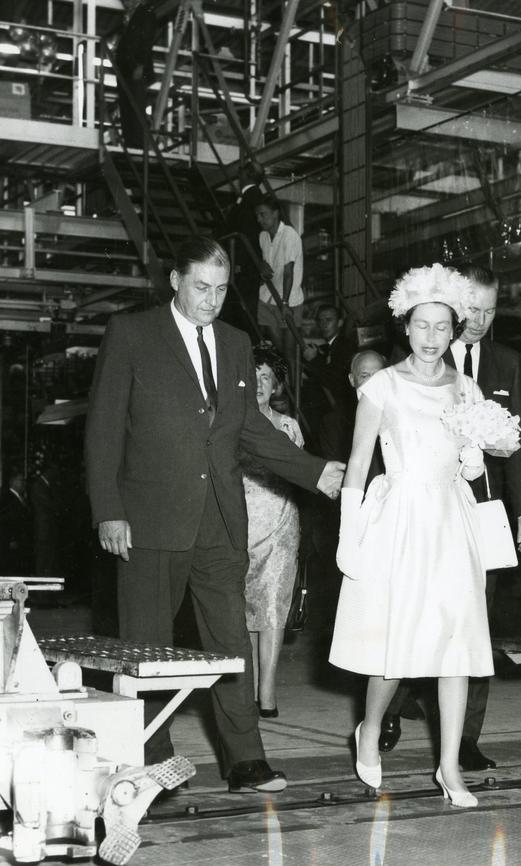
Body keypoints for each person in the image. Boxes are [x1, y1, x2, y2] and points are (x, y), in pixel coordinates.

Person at [84, 235, 344, 794]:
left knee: (229, 644)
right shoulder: (132, 334)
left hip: (221, 519)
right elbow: (103, 428)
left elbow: (247, 428)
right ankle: (153, 763)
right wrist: (109, 509)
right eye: (201, 287)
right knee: (148, 650)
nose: (211, 300)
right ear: (175, 280)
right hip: (148, 519)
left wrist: (313, 470)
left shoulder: (235, 342)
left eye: (222, 290)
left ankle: (246, 760)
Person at [329, 264, 493, 807]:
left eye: (441, 327)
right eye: (422, 325)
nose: (430, 337)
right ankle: (370, 728)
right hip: (400, 520)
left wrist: (476, 456)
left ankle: (449, 769)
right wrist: (349, 533)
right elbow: (357, 463)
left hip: (452, 520)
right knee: (395, 651)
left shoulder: (466, 387)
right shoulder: (382, 384)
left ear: (454, 330)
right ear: (406, 326)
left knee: (457, 648)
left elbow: (470, 464)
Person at [379, 262, 521, 770]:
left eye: (490, 311)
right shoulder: (418, 356)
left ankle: (465, 741)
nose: (480, 320)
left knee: (474, 624)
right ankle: (393, 703)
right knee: (415, 614)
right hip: (426, 509)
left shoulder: (507, 363)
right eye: (472, 309)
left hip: (485, 513)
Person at [242, 343, 303, 718]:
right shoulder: (229, 423)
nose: (259, 383)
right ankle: (246, 689)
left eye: (266, 377)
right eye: (253, 377)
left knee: (272, 612)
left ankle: (267, 693)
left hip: (280, 525)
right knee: (244, 615)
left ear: (276, 385)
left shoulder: (287, 426)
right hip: (239, 526)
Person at [255, 196, 304, 366]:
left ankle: (296, 391)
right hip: (267, 298)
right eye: (257, 216)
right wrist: (262, 267)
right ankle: (285, 389)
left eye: (263, 214)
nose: (259, 219)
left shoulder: (289, 235)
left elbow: (288, 272)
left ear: (275, 213)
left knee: (290, 353)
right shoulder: (263, 236)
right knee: (279, 352)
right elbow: (267, 266)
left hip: (288, 301)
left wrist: (284, 303)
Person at [221, 161, 266, 338]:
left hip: (244, 265)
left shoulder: (251, 198)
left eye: (240, 174)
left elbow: (248, 231)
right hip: (244, 263)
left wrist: (239, 262)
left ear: (246, 175)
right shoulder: (251, 197)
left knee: (243, 308)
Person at [319, 349, 386, 462]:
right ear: (352, 380)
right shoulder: (334, 423)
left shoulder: (401, 414)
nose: (372, 383)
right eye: (364, 376)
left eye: (378, 375)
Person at [114, 0, 158, 149]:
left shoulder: (145, 13)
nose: (124, 2)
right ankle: (131, 142)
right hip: (126, 68)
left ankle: (137, 142)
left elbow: (146, 40)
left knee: (135, 104)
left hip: (135, 68)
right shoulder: (132, 15)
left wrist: (140, 64)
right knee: (126, 106)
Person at [303, 305, 357, 415]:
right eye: (320, 321)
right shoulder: (335, 344)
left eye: (328, 320)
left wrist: (314, 360)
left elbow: (334, 380)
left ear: (340, 323)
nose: (324, 325)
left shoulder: (344, 346)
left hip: (343, 408)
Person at [0, 468, 31, 575]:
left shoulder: (20, 498)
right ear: (13, 481)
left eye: (24, 481)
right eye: (21, 480)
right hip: (11, 541)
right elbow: (5, 520)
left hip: (20, 540)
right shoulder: (7, 498)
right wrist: (11, 538)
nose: (24, 484)